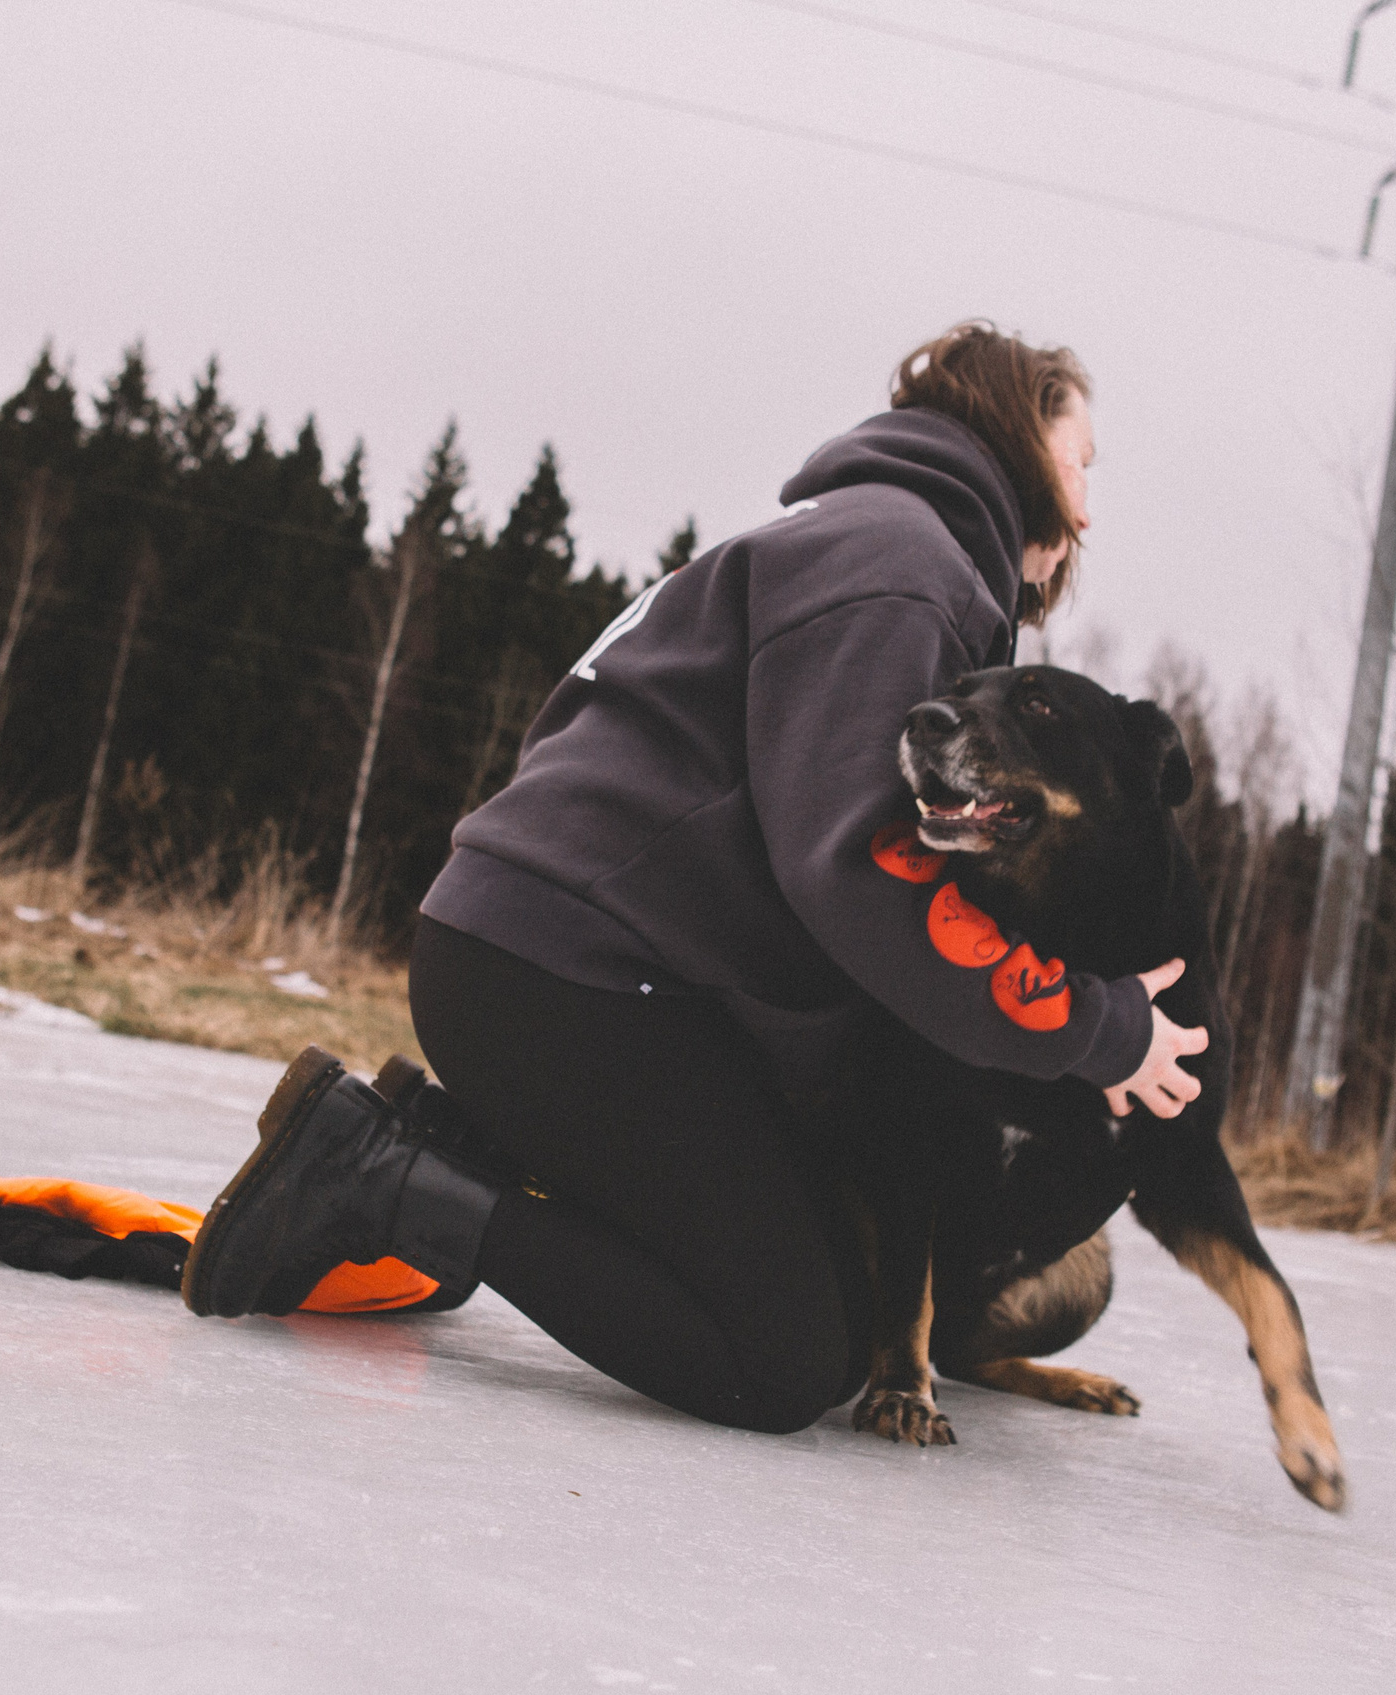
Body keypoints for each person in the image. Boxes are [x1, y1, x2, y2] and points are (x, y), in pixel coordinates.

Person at [182, 323, 1211, 1434]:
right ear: (1018, 436)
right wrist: (1095, 1032)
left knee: (844, 1292)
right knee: (782, 1358)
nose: (1087, 509)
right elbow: (863, 879)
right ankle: (377, 1170)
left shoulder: (859, 539)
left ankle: (443, 1144)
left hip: (561, 964)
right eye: (1080, 463)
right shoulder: (898, 569)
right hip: (566, 983)